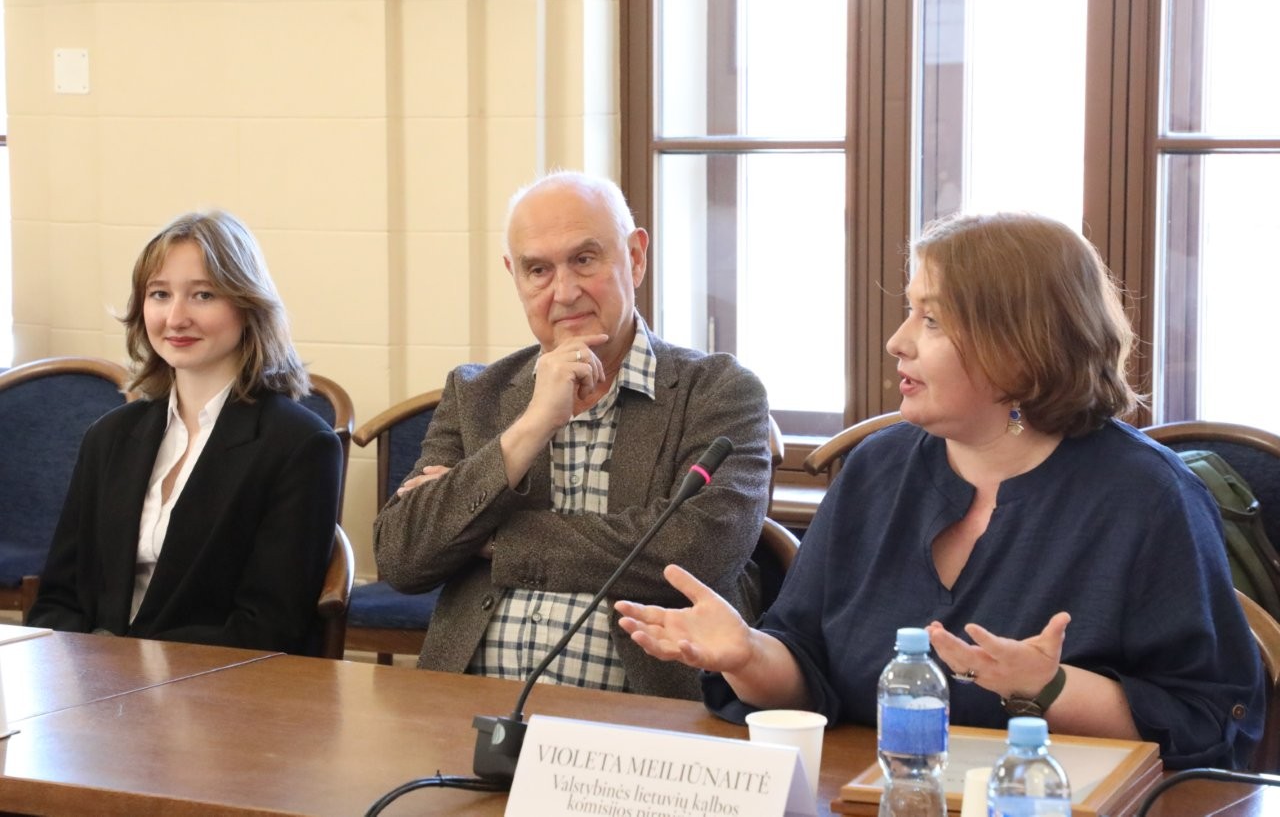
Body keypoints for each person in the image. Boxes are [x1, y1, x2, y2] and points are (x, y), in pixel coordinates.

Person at [616, 211, 1264, 769]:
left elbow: (1207, 724)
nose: (897, 341)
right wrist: (746, 654)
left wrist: (1046, 687)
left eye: (931, 319)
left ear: (1020, 346)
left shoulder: (1150, 499)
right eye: (910, 311)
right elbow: (809, 672)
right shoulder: (876, 470)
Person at [374, 171, 771, 699]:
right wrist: (532, 425)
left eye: (584, 259)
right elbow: (402, 557)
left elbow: (699, 552)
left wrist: (495, 538)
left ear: (635, 257)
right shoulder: (477, 394)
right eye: (538, 270)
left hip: (641, 718)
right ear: (515, 276)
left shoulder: (718, 391)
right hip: (466, 709)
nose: (564, 292)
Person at [27, 211, 342, 654]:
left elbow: (268, 628)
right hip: (95, 679)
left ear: (248, 306)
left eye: (203, 295)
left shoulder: (300, 445)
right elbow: (57, 601)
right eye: (159, 294)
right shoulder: (108, 437)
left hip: (216, 686)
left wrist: (134, 665)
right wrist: (94, 669)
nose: (175, 318)